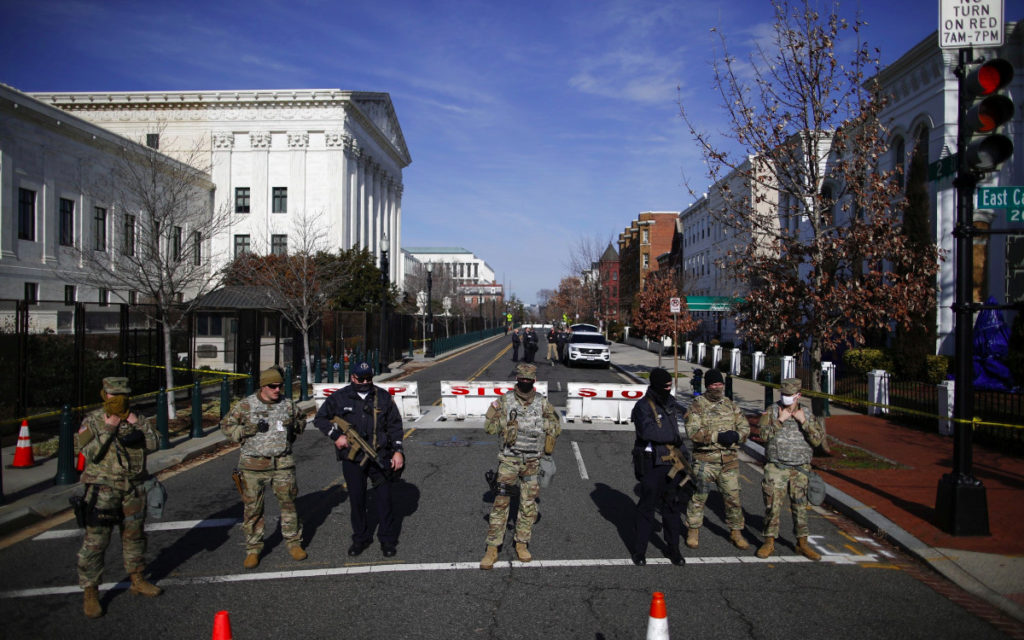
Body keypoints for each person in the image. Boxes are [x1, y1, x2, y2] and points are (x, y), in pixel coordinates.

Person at [74, 377, 162, 618]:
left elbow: (155, 443)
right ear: (105, 395)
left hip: (133, 487)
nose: (119, 399)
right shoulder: (93, 420)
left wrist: (139, 424)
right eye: (114, 395)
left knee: (134, 536)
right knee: (96, 541)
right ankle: (90, 590)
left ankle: (137, 578)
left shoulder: (136, 418)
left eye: (123, 395)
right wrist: (109, 427)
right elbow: (88, 453)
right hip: (103, 488)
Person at [220, 365, 310, 569]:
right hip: (253, 465)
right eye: (272, 386)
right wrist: (244, 431)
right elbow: (226, 426)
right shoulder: (246, 406)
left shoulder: (288, 404)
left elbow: (301, 421)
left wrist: (292, 430)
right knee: (253, 509)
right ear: (263, 386)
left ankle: (293, 543)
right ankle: (253, 549)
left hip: (282, 464)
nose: (277, 390)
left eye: (279, 386)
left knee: (289, 505)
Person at [314, 362, 406, 557]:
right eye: (361, 379)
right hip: (352, 458)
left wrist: (398, 451)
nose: (365, 382)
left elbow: (395, 425)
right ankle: (360, 538)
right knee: (357, 499)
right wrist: (335, 435)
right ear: (353, 377)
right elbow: (320, 418)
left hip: (380, 455)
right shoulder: (340, 397)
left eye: (368, 378)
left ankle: (388, 540)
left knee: (385, 500)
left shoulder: (382, 397)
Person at [479, 363, 561, 569]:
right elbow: (488, 427)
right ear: (517, 379)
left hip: (533, 461)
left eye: (528, 379)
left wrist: (541, 425)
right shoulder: (504, 401)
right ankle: (492, 548)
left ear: (534, 380)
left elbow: (557, 426)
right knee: (500, 503)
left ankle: (522, 543)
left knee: (528, 505)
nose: (524, 382)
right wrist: (503, 424)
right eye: (521, 379)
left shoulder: (543, 403)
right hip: (509, 460)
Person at [756, 378, 825, 561]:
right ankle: (769, 542)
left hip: (800, 469)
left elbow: (818, 440)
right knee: (772, 507)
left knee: (800, 507)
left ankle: (802, 543)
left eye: (789, 395)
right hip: (776, 466)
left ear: (798, 395)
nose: (786, 398)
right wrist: (780, 420)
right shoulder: (772, 411)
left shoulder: (807, 413)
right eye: (783, 394)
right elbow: (763, 435)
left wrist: (804, 422)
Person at [684, 368, 752, 550]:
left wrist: (736, 436)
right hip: (705, 461)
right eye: (714, 384)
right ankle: (693, 530)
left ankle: (736, 532)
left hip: (729, 461)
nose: (717, 387)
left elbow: (745, 427)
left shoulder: (731, 405)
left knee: (733, 498)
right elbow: (692, 432)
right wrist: (717, 437)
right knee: (699, 498)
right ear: (707, 386)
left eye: (720, 384)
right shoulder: (697, 405)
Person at [630, 368, 689, 566]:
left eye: (670, 385)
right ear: (655, 385)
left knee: (672, 507)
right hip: (650, 464)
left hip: (671, 463)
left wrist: (685, 458)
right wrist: (672, 438)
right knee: (646, 508)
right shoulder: (642, 406)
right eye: (665, 385)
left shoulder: (670, 403)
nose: (668, 388)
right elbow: (648, 432)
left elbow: (676, 434)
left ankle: (673, 549)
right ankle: (639, 551)